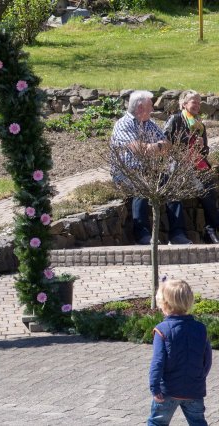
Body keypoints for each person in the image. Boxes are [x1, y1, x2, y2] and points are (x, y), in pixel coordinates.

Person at [110, 90, 191, 245]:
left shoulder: (150, 124)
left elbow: (167, 145)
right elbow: (139, 150)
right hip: (126, 172)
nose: (153, 109)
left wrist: (153, 147)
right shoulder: (123, 124)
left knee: (172, 185)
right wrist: (154, 147)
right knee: (142, 184)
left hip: (150, 170)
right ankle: (143, 236)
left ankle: (177, 234)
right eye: (150, 106)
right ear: (140, 108)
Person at [148, 279, 212, 425]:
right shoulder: (200, 328)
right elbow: (207, 359)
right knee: (197, 422)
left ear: (165, 305)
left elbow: (157, 362)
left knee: (157, 423)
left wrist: (154, 387)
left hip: (167, 391)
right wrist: (199, 378)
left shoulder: (162, 330)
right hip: (194, 389)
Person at [164, 90, 219, 244]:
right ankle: (185, 233)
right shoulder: (175, 120)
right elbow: (165, 143)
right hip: (179, 166)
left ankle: (210, 230)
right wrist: (184, 144)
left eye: (199, 102)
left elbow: (205, 151)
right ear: (184, 104)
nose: (197, 105)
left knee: (209, 189)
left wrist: (201, 146)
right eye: (194, 102)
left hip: (197, 165)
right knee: (202, 188)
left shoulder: (199, 124)